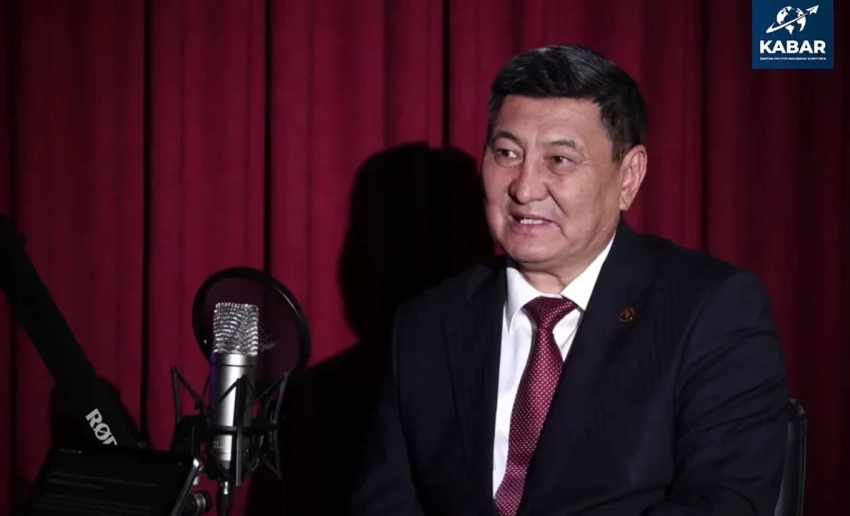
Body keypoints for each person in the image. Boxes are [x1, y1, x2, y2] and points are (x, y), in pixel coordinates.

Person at [348, 44, 789, 516]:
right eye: (506, 153)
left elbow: (723, 503)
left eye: (559, 160)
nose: (524, 188)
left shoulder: (710, 310)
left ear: (628, 177)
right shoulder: (426, 324)